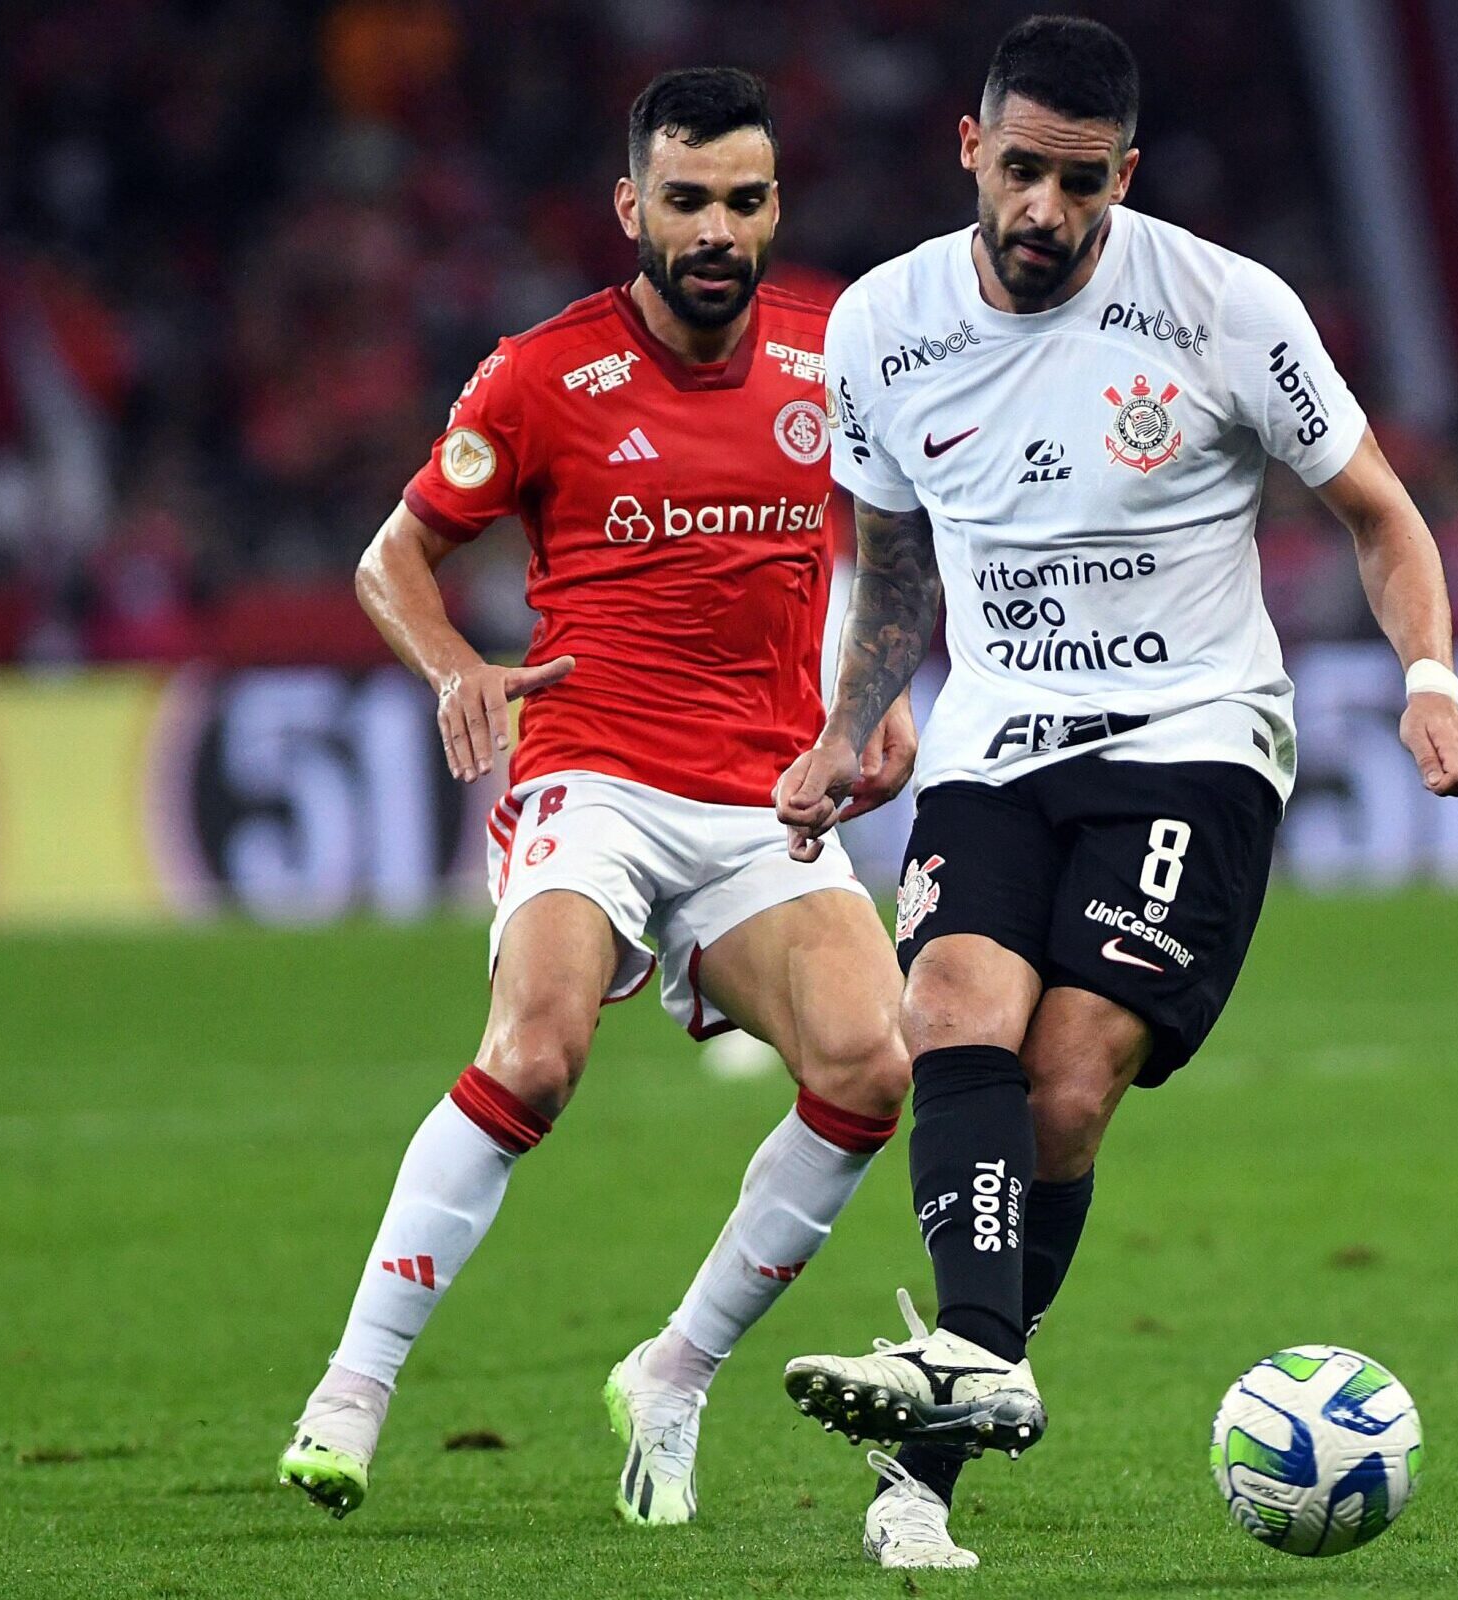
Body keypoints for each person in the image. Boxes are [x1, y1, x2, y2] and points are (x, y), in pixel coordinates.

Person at [771, 16, 1458, 1570]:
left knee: (1069, 1085)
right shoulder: (881, 325)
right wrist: (857, 717)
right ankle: (973, 1371)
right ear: (970, 148)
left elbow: (1382, 515)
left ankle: (939, 1439)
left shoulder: (1228, 309)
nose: (1044, 209)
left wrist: (1429, 680)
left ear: (1125, 177)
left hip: (1194, 736)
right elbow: (887, 559)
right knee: (949, 1009)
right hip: (998, 737)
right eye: (1019, 169)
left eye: (1079, 183)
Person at [277, 67, 919, 1526]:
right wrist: (454, 669)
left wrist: (871, 715)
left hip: (765, 796)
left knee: (873, 1065)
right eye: (685, 200)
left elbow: (902, 547)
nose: (714, 229)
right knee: (540, 1049)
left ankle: (676, 1372)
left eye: (742, 202)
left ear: (775, 208)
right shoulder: (542, 375)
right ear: (632, 206)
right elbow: (393, 561)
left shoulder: (839, 356)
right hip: (595, 776)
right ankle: (353, 1391)